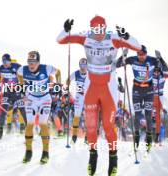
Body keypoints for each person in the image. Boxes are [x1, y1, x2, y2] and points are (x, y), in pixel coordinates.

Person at [57, 15, 141, 176]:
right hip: (91, 86)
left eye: (101, 28)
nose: (98, 32)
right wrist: (66, 30)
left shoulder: (114, 38)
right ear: (91, 28)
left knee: (109, 126)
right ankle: (92, 157)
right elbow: (60, 40)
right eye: (95, 29)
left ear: (105, 27)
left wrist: (127, 36)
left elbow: (137, 47)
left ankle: (113, 158)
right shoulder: (85, 37)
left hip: (109, 87)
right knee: (91, 126)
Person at [116, 45, 167, 152]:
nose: (141, 57)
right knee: (138, 115)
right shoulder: (133, 59)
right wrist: (123, 56)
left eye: (143, 54)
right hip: (136, 89)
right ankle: (137, 138)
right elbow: (117, 64)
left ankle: (149, 138)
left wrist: (160, 58)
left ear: (146, 54)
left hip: (149, 90)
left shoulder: (152, 60)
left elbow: (165, 68)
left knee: (148, 115)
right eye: (139, 54)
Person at [17, 51, 61, 164]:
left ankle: (45, 153)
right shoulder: (23, 69)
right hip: (31, 98)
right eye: (29, 62)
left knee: (43, 123)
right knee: (30, 124)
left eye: (34, 62)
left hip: (45, 98)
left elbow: (58, 72)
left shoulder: (46, 68)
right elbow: (19, 74)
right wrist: (22, 88)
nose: (31, 65)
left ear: (38, 62)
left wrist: (58, 85)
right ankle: (28, 152)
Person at [0, 54, 27, 139]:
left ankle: (28, 130)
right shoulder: (1, 68)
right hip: (7, 91)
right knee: (3, 111)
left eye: (6, 61)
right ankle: (0, 132)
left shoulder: (17, 66)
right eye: (3, 62)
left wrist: (23, 92)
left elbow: (23, 79)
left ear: (10, 61)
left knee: (22, 110)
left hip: (17, 90)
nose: (5, 64)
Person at [152, 66, 168, 143]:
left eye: (158, 71)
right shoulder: (151, 76)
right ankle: (148, 133)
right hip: (151, 97)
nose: (156, 73)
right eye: (155, 71)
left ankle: (157, 135)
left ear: (160, 71)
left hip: (160, 98)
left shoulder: (163, 76)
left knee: (158, 118)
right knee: (149, 115)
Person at [70, 58, 88, 143]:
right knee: (77, 116)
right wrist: (67, 90)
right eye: (81, 65)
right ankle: (74, 136)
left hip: (88, 97)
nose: (83, 67)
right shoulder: (76, 73)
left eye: (84, 65)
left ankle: (87, 137)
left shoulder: (90, 74)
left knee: (88, 117)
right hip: (79, 96)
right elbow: (68, 80)